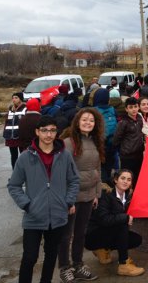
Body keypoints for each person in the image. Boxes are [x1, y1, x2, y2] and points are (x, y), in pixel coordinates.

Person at [7, 116, 79, 283]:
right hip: (33, 216)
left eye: (52, 130)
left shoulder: (65, 155)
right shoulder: (26, 157)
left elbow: (74, 180)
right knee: (30, 257)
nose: (49, 134)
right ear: (37, 132)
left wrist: (67, 201)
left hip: (58, 216)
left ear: (57, 132)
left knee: (51, 254)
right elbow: (14, 185)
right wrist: (27, 205)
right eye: (45, 130)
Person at [57, 108, 105, 283]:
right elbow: (61, 173)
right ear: (77, 122)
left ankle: (78, 265)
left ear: (95, 124)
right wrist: (67, 200)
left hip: (89, 195)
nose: (87, 123)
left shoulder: (95, 141)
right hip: (72, 197)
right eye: (84, 120)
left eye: (91, 121)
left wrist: (97, 193)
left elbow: (97, 169)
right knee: (66, 235)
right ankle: (64, 267)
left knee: (80, 233)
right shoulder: (68, 143)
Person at [85, 169, 145, 276]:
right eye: (122, 178)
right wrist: (125, 218)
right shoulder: (106, 195)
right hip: (92, 235)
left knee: (136, 239)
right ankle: (123, 264)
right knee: (122, 223)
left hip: (107, 232)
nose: (125, 181)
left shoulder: (128, 197)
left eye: (129, 180)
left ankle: (102, 250)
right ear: (116, 180)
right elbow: (104, 220)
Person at [113, 97, 144, 187]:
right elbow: (116, 140)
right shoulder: (123, 122)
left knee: (137, 178)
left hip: (139, 154)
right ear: (126, 109)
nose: (134, 109)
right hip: (127, 156)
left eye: (135, 106)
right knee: (127, 179)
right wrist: (124, 149)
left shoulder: (139, 118)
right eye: (131, 107)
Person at [93, 88, 119, 184]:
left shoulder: (94, 111)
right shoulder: (113, 110)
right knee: (110, 165)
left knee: (101, 167)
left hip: (99, 145)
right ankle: (111, 181)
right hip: (112, 144)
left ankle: (104, 186)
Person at [4, 92, 27, 169]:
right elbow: (6, 122)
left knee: (23, 155)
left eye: (16, 98)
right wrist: (5, 133)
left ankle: (24, 172)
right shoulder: (10, 109)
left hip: (20, 136)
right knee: (13, 156)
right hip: (11, 137)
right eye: (13, 98)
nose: (14, 99)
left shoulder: (25, 108)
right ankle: (15, 173)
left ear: (20, 99)